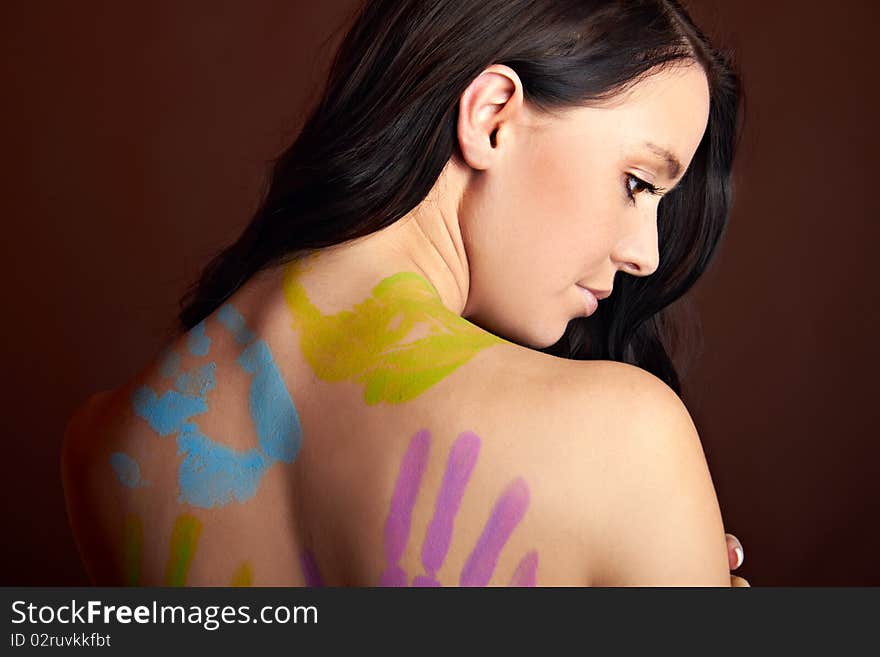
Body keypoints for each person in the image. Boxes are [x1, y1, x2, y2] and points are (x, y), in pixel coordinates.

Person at [61, 0, 749, 586]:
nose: (645, 252)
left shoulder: (109, 444)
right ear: (492, 116)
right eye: (638, 183)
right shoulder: (623, 438)